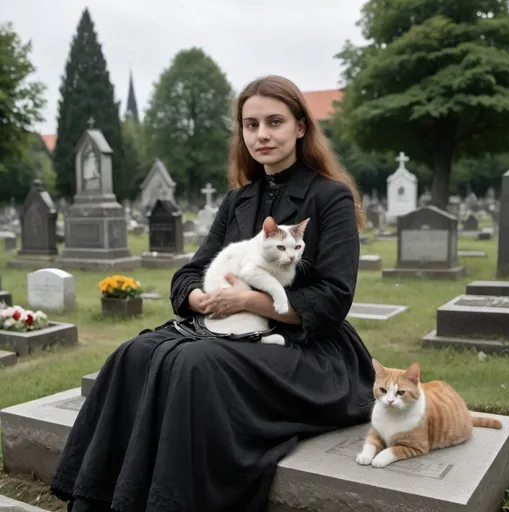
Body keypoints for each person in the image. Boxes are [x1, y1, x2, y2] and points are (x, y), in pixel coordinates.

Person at [51, 75, 375, 512]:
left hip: (308, 348)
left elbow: (333, 298)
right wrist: (198, 299)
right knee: (135, 352)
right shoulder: (237, 201)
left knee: (193, 362)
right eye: (250, 124)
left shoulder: (329, 197)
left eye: (274, 122)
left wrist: (246, 301)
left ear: (300, 127)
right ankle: (104, 503)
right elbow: (191, 273)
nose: (261, 134)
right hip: (226, 330)